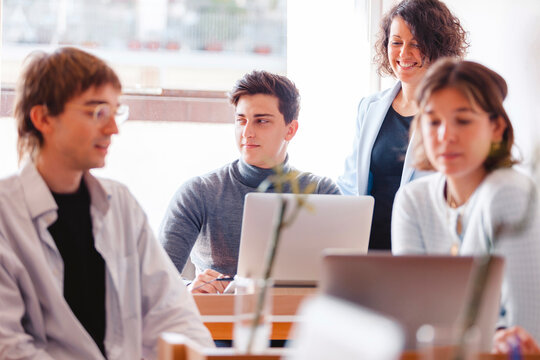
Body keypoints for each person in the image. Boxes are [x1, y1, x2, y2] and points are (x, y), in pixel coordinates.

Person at [0, 47, 213, 359]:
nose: (113, 128)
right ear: (43, 118)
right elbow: (9, 347)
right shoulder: (6, 215)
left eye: (116, 112)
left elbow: (173, 314)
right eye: (97, 111)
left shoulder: (121, 205)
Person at [391, 58, 540, 354]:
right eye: (433, 121)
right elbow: (412, 320)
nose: (446, 136)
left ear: (496, 127)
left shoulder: (508, 194)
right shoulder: (412, 199)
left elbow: (528, 334)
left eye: (463, 120)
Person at [159, 70, 340, 294]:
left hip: (297, 319)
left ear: (290, 130)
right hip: (219, 320)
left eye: (261, 121)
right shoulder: (198, 192)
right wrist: (189, 288)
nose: (247, 132)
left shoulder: (322, 192)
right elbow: (156, 280)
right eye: (241, 120)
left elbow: (343, 281)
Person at [338, 0, 468, 250]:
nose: (404, 54)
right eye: (396, 42)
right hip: (367, 246)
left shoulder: (453, 112)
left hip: (424, 248)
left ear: (437, 47)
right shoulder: (369, 107)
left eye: (416, 44)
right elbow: (350, 184)